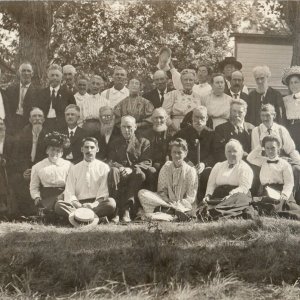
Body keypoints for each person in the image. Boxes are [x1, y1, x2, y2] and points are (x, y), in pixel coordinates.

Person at [55, 137, 116, 222]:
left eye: (92, 147)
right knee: (59, 205)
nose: (89, 150)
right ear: (82, 149)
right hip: (78, 204)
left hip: (96, 204)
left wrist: (93, 205)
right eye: (86, 147)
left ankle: (78, 218)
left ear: (97, 149)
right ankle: (95, 218)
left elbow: (104, 191)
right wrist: (79, 205)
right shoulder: (74, 168)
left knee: (111, 203)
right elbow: (69, 191)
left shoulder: (104, 167)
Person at [138, 138, 198, 221]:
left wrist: (179, 203)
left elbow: (191, 196)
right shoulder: (166, 167)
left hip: (183, 204)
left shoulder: (190, 171)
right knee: (142, 193)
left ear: (185, 153)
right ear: (170, 153)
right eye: (174, 152)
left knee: (187, 207)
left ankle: (165, 212)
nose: (176, 155)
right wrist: (168, 201)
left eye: (179, 152)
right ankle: (171, 211)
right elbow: (161, 190)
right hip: (166, 202)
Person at [107, 116, 153, 223]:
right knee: (113, 170)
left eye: (129, 127)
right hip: (119, 173)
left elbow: (147, 161)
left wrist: (131, 169)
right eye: (124, 127)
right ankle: (116, 210)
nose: (126, 130)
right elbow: (110, 160)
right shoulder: (115, 143)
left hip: (134, 175)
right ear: (120, 127)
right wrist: (120, 167)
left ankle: (127, 208)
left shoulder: (143, 142)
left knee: (139, 173)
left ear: (135, 127)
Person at [251, 104, 300, 201]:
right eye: (262, 115)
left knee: (296, 169)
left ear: (274, 115)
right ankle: (262, 196)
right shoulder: (256, 131)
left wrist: (298, 161)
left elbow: (291, 149)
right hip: (265, 161)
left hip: (282, 160)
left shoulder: (281, 130)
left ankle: (292, 198)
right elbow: (256, 153)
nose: (265, 118)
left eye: (268, 115)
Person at [247, 135, 300, 219]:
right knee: (258, 205)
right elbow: (250, 158)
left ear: (278, 147)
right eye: (267, 148)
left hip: (280, 190)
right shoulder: (263, 161)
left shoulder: (284, 164)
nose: (270, 151)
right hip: (266, 190)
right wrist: (260, 146)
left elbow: (289, 183)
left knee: (282, 206)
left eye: (273, 148)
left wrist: (284, 194)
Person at [200, 140, 254, 220]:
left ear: (240, 153)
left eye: (235, 151)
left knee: (237, 201)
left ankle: (214, 213)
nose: (231, 154)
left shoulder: (245, 168)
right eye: (229, 151)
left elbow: (244, 187)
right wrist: (208, 195)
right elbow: (211, 184)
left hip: (237, 194)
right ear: (225, 153)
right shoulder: (218, 166)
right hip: (219, 194)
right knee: (204, 203)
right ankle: (210, 212)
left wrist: (231, 195)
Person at [11, 107, 48, 217]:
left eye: (39, 116)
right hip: (25, 167)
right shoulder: (22, 134)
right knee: (17, 179)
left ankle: (41, 211)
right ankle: (24, 212)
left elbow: (48, 156)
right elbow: (17, 155)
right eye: (34, 116)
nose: (37, 119)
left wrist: (36, 170)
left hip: (42, 167)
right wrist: (24, 170)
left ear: (44, 119)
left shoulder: (48, 135)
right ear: (29, 119)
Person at [174, 106, 214, 203]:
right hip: (186, 165)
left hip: (204, 167)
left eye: (202, 118)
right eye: (196, 117)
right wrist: (187, 162)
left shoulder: (212, 134)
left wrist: (204, 164)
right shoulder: (182, 133)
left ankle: (202, 201)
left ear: (206, 119)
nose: (198, 120)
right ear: (192, 117)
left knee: (208, 174)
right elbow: (174, 150)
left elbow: (215, 154)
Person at [30, 132, 72, 214]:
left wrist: (63, 195)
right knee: (46, 211)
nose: (55, 153)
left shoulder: (69, 166)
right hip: (46, 196)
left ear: (62, 153)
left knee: (60, 207)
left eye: (58, 150)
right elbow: (34, 187)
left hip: (64, 194)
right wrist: (36, 197)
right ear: (47, 151)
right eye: (52, 149)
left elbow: (72, 185)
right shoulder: (37, 166)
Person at [38, 64, 76, 131]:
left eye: (57, 75)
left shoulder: (67, 93)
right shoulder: (41, 93)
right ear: (48, 77)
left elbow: (73, 111)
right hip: (44, 125)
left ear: (61, 78)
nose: (54, 78)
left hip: (61, 126)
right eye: (52, 75)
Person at [142, 108, 172, 190]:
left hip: (167, 164)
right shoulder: (145, 134)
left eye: (161, 117)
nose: (158, 121)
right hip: (150, 164)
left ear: (166, 118)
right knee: (151, 171)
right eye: (155, 118)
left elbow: (171, 153)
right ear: (152, 119)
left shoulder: (171, 135)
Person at [5, 62, 39, 133]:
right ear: (19, 73)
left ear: (32, 74)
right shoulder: (10, 89)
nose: (26, 73)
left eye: (28, 71)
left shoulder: (38, 92)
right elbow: (6, 109)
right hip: (12, 123)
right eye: (23, 70)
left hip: (28, 124)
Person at [282, 66, 300, 151]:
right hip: (289, 129)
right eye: (291, 83)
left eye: (296, 82)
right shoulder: (285, 99)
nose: (293, 85)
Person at [0, 118, 15, 216]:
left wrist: (6, 161)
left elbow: (16, 157)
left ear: (5, 126)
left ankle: (4, 206)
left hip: (9, 168)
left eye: (1, 124)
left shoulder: (12, 140)